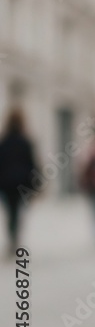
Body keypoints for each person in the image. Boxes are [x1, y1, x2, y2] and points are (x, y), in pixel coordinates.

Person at [0, 108, 38, 255]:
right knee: (17, 211)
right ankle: (15, 237)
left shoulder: (4, 141)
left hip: (6, 184)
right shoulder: (25, 142)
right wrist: (34, 183)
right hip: (21, 183)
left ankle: (12, 237)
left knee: (11, 211)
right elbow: (31, 164)